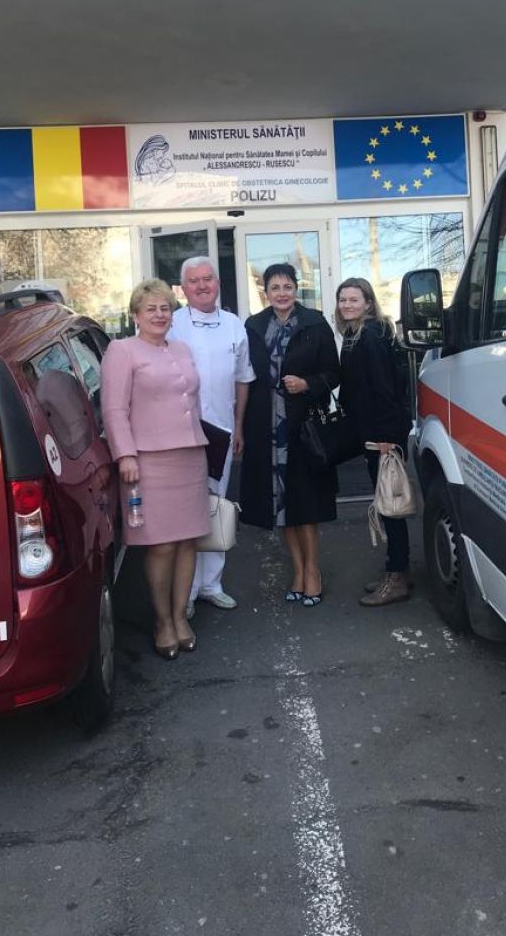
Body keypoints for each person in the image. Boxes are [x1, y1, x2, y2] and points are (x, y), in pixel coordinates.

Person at [101, 278, 210, 660]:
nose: (160, 315)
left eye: (165, 308)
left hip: (190, 457)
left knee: (188, 541)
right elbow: (114, 409)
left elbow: (192, 402)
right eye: (151, 309)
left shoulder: (181, 349)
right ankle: (162, 621)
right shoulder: (122, 351)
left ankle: (180, 617)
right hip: (147, 461)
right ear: (136, 315)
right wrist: (125, 455)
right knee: (161, 546)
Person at [240, 263, 339, 606]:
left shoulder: (315, 323)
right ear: (265, 292)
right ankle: (297, 570)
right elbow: (245, 375)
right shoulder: (254, 326)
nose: (281, 293)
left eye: (287, 286)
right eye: (275, 287)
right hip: (265, 428)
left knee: (305, 503)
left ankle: (313, 571)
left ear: (296, 289)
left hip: (302, 428)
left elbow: (334, 373)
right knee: (280, 505)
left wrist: (307, 383)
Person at [170, 255, 255, 617]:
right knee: (187, 512)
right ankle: (186, 591)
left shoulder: (234, 325)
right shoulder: (172, 324)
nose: (202, 286)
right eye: (194, 281)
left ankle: (211, 584)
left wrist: (239, 425)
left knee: (216, 506)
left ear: (218, 283)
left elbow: (243, 379)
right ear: (183, 288)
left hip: (221, 430)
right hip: (181, 432)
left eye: (208, 279)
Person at [335, 277, 413, 606]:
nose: (347, 305)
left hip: (382, 436)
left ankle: (397, 578)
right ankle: (396, 569)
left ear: (368, 303)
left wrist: (386, 439)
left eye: (354, 299)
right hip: (373, 432)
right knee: (386, 503)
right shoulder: (356, 335)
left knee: (391, 506)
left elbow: (385, 390)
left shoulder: (370, 337)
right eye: (343, 300)